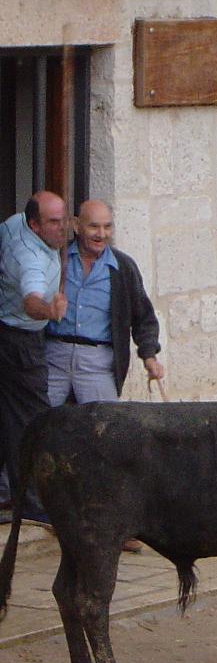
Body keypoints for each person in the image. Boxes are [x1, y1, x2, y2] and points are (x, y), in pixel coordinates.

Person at [44, 200, 164, 552]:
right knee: (37, 426)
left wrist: (149, 355)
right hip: (54, 352)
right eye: (94, 227)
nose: (101, 234)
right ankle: (40, 510)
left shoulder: (121, 267)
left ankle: (118, 525)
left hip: (98, 358)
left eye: (107, 227)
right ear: (77, 226)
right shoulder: (57, 260)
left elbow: (143, 316)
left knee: (109, 441)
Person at [0, 191, 68, 525]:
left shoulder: (13, 226)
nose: (62, 229)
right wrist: (50, 311)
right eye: (53, 222)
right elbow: (31, 300)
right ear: (34, 225)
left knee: (9, 416)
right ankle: (28, 500)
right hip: (21, 339)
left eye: (64, 219)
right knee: (33, 421)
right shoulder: (31, 259)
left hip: (8, 332)